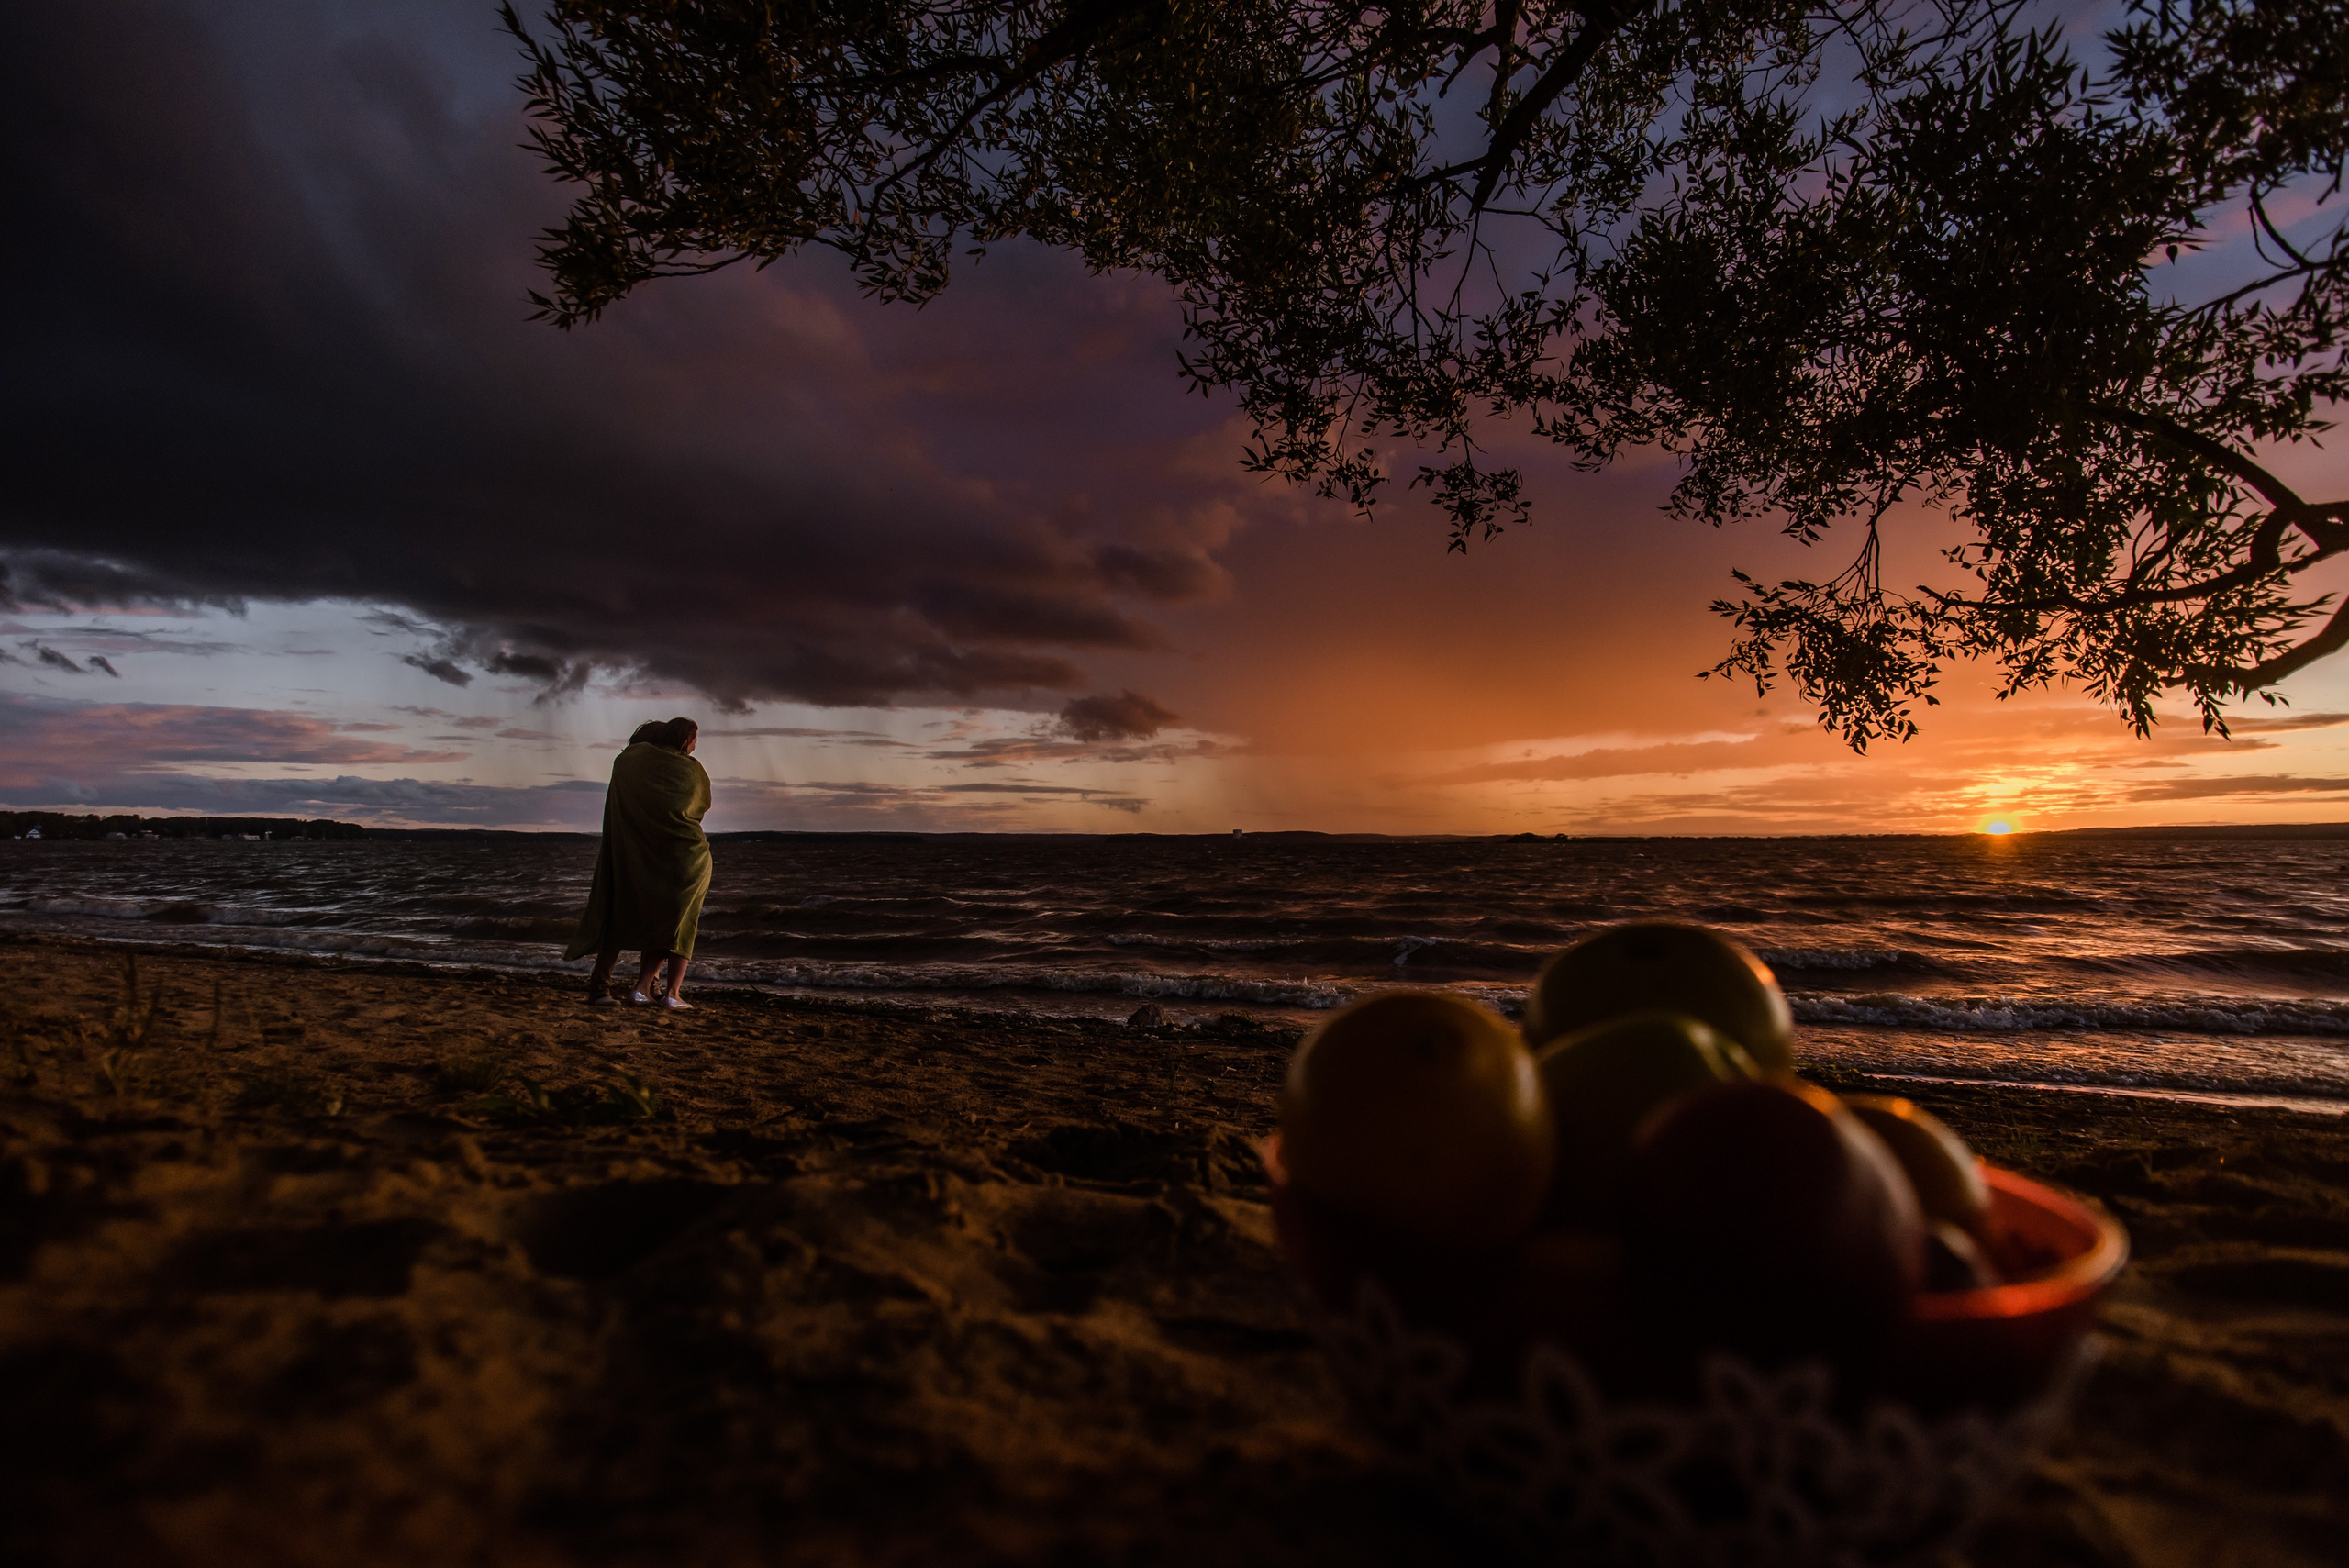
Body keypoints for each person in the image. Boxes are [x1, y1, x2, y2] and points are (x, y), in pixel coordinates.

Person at [566, 717, 711, 1009]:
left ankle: (631, 987)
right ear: (682, 740)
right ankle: (658, 990)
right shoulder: (689, 769)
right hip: (684, 854)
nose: (696, 746)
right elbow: (699, 806)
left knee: (622, 913)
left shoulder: (627, 763)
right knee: (673, 921)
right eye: (694, 740)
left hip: (635, 851)